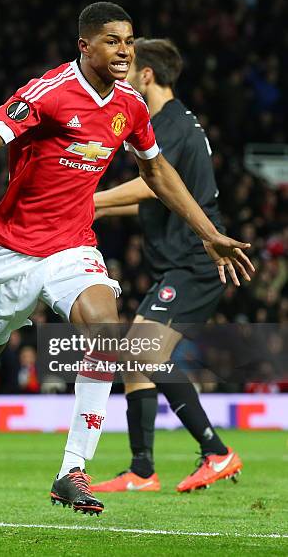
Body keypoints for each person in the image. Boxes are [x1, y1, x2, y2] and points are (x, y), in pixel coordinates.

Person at [0, 4, 254, 515]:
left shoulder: (129, 105)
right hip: (10, 253)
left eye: (129, 41)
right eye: (112, 41)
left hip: (73, 249)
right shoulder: (48, 92)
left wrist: (209, 233)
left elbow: (157, 173)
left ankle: (72, 471)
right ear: (85, 46)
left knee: (106, 331)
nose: (124, 50)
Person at [92, 38, 246, 494]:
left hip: (196, 260)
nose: (122, 71)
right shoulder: (177, 124)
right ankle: (142, 471)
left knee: (141, 352)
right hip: (179, 261)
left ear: (147, 76)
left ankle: (217, 452)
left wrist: (90, 198)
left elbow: (148, 186)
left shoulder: (168, 125)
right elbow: (157, 198)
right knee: (137, 360)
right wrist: (98, 210)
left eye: (130, 65)